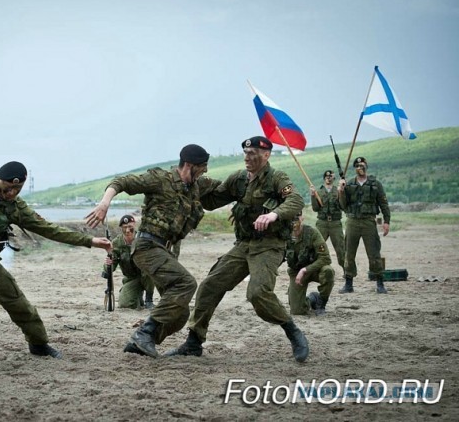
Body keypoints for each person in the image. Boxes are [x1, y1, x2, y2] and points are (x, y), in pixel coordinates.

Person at [0, 161, 112, 359]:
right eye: (8, 188)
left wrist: (91, 241)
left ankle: (38, 344)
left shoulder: (16, 207)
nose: (11, 193)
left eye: (17, 189)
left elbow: (49, 229)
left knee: (22, 308)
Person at [166, 136, 309, 362]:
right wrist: (191, 183)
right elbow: (213, 201)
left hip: (269, 246)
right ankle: (194, 342)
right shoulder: (239, 179)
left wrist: (274, 214)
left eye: (253, 154)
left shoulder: (276, 178)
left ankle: (292, 331)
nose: (248, 158)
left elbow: (296, 200)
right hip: (243, 245)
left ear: (266, 155)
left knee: (258, 293)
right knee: (209, 286)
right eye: (246, 154)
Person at [85, 144, 221, 358]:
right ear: (189, 165)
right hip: (147, 246)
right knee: (186, 283)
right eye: (201, 168)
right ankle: (144, 334)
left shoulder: (196, 186)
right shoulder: (160, 179)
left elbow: (225, 189)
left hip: (164, 251)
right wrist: (104, 203)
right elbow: (121, 182)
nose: (204, 172)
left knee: (179, 312)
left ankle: (141, 344)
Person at [338, 156, 391, 294]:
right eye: (357, 166)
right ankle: (348, 283)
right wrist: (341, 191)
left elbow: (383, 203)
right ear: (355, 168)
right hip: (352, 221)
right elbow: (343, 206)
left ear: (366, 166)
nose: (360, 167)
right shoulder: (349, 184)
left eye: (362, 165)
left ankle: (380, 282)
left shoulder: (375, 184)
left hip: (368, 222)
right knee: (349, 253)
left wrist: (386, 221)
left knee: (374, 253)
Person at [102, 214, 156, 309]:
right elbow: (111, 267)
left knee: (149, 269)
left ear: (134, 225)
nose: (127, 230)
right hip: (131, 279)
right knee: (125, 304)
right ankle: (138, 297)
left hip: (147, 277)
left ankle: (149, 299)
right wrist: (108, 265)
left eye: (130, 227)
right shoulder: (116, 243)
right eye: (124, 227)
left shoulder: (142, 239)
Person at [286, 213, 334, 316]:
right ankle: (313, 299)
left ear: (302, 218)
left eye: (296, 218)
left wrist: (305, 270)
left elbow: (325, 258)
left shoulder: (312, 233)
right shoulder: (285, 234)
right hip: (296, 271)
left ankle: (321, 303)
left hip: (315, 269)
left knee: (328, 271)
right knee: (297, 311)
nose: (294, 223)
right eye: (290, 219)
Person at [310, 170, 345, 270]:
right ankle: (312, 269)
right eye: (326, 176)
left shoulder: (337, 190)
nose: (328, 178)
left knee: (341, 248)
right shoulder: (319, 192)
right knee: (316, 246)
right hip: (322, 223)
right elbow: (315, 208)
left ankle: (346, 272)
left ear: (333, 179)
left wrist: (341, 192)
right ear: (324, 178)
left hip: (335, 223)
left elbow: (343, 206)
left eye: (330, 176)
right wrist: (313, 196)